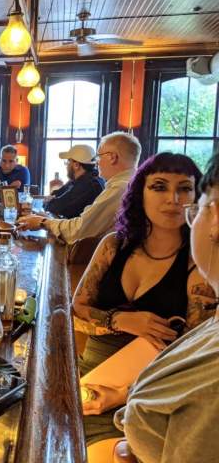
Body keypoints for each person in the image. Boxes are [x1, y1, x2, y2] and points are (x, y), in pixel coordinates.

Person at [70, 153, 215, 456]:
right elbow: (75, 312)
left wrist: (122, 395)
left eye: (185, 188)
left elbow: (190, 360)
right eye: (159, 187)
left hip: (147, 395)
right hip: (87, 375)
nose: (173, 199)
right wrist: (119, 321)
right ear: (140, 193)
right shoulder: (113, 245)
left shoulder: (200, 265)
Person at [17, 131, 141, 245]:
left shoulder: (120, 188)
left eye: (99, 156)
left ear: (112, 157)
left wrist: (42, 222)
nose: (96, 162)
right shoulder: (129, 183)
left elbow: (80, 230)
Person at [45, 144, 105, 218]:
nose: (66, 166)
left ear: (76, 165)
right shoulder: (79, 179)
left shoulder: (87, 185)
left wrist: (48, 202)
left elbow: (55, 208)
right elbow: (56, 193)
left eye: (68, 162)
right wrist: (52, 199)